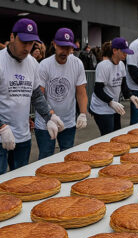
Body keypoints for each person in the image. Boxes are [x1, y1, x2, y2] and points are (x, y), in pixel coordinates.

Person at [0, 18, 63, 175]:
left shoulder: (33, 63)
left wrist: (49, 116)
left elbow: (36, 95)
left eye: (31, 43)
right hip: (1, 135)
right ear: (12, 37)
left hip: (23, 137)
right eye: (23, 42)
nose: (27, 48)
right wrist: (1, 126)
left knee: (20, 181)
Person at [34, 28, 88, 159]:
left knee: (67, 158)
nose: (65, 51)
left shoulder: (77, 63)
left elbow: (81, 92)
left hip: (68, 122)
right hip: (46, 122)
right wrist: (49, 118)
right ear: (54, 44)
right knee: (46, 158)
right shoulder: (45, 65)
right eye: (62, 47)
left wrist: (82, 113)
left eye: (68, 48)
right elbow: (39, 96)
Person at [90, 37, 138, 135]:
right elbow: (98, 90)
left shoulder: (121, 65)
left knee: (117, 134)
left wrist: (131, 96)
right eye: (123, 52)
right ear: (114, 51)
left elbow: (123, 85)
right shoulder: (103, 66)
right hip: (102, 108)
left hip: (115, 107)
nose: (125, 54)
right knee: (108, 136)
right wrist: (110, 102)